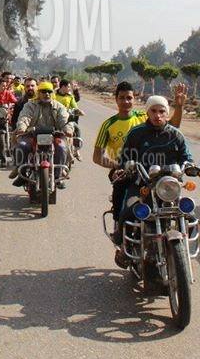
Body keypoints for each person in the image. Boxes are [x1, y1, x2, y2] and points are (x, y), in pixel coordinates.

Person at [113, 95, 195, 265]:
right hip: (142, 184)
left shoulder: (176, 135)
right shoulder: (136, 133)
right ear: (147, 112)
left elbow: (186, 157)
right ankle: (123, 246)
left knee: (190, 215)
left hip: (169, 187)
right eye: (154, 111)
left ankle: (182, 247)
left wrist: (189, 165)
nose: (158, 115)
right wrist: (125, 166)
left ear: (167, 113)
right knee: (128, 212)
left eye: (162, 111)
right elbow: (125, 157)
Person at [93, 80, 187, 222]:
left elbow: (172, 125)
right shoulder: (108, 125)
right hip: (126, 168)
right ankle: (119, 224)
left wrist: (179, 106)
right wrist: (118, 166)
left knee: (182, 209)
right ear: (116, 99)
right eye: (122, 98)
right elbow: (97, 157)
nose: (126, 101)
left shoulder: (146, 116)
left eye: (129, 98)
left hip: (155, 170)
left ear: (134, 99)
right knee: (122, 196)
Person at [10, 80, 73, 188]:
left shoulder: (59, 106)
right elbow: (24, 117)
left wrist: (67, 129)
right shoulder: (30, 105)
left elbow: (64, 119)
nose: (46, 94)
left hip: (54, 136)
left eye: (49, 91)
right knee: (22, 146)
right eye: (43, 91)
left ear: (52, 93)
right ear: (38, 93)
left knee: (62, 147)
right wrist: (22, 127)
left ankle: (58, 176)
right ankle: (22, 174)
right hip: (31, 135)